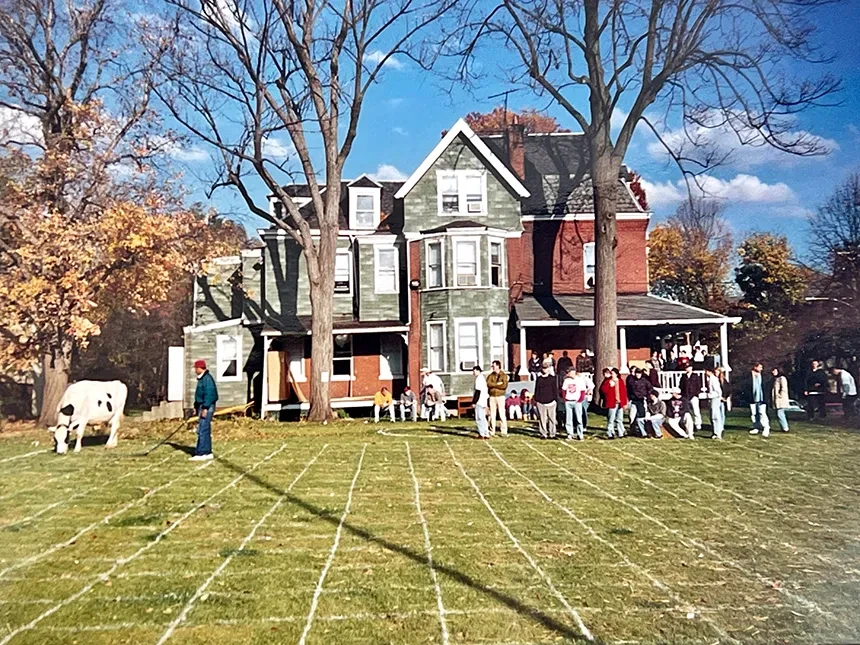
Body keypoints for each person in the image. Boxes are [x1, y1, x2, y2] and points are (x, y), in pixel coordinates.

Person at [192, 359, 218, 461]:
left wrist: (205, 408)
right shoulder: (202, 379)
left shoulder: (207, 379)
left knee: (202, 429)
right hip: (201, 406)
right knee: (204, 428)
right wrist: (196, 407)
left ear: (200, 368)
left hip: (206, 406)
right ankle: (207, 451)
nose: (195, 370)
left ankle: (202, 452)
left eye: (196, 368)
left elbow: (210, 394)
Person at [599, 367, 627, 439]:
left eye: (613, 374)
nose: (612, 375)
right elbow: (603, 390)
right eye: (611, 374)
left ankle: (621, 432)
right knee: (611, 419)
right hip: (612, 403)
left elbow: (623, 393)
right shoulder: (608, 381)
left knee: (619, 419)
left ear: (617, 374)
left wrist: (624, 403)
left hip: (619, 403)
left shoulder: (620, 381)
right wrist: (609, 385)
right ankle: (610, 433)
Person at [534, 360, 558, 439]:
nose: (545, 369)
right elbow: (536, 389)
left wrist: (555, 399)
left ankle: (552, 433)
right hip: (541, 402)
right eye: (543, 368)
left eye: (546, 368)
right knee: (542, 419)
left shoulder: (553, 378)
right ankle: (543, 433)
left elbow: (555, 390)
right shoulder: (539, 379)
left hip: (551, 402)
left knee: (552, 419)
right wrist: (536, 400)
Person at [561, 367, 587, 440]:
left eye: (569, 372)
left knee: (579, 418)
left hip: (576, 401)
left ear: (573, 372)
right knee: (568, 419)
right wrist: (565, 399)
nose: (568, 374)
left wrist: (579, 400)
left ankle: (580, 434)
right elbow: (563, 390)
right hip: (568, 401)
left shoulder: (579, 380)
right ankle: (570, 434)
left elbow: (583, 391)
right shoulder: (566, 380)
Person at [486, 360, 509, 436]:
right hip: (492, 396)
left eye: (494, 365)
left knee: (502, 413)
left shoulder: (503, 375)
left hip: (500, 396)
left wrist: (494, 385)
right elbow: (488, 384)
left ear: (498, 366)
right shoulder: (490, 375)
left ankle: (504, 430)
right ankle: (492, 430)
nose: (492, 367)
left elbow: (504, 385)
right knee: (492, 414)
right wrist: (497, 384)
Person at [679, 364, 703, 433]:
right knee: (686, 411)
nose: (687, 369)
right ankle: (685, 423)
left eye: (688, 367)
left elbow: (698, 386)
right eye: (686, 367)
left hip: (694, 396)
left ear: (691, 368)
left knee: (696, 411)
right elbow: (681, 386)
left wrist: (696, 393)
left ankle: (698, 424)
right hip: (686, 396)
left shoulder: (695, 376)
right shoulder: (683, 376)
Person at [749, 362, 770, 437]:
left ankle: (766, 427)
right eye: (760, 367)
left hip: (761, 398)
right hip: (753, 398)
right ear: (755, 367)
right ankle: (756, 427)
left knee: (762, 413)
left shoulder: (764, 376)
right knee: (754, 413)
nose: (761, 369)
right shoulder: (749, 375)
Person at [704, 366, 723, 439]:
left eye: (706, 371)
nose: (705, 373)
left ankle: (718, 433)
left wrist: (717, 396)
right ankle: (715, 432)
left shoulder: (713, 379)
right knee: (712, 415)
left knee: (715, 416)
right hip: (712, 398)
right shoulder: (710, 379)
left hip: (715, 398)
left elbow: (718, 390)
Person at [472, 365, 490, 440]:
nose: (473, 372)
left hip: (479, 401)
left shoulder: (479, 379)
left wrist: (474, 402)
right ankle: (486, 433)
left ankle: (481, 433)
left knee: (479, 418)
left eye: (474, 371)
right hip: (483, 400)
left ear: (478, 371)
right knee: (483, 418)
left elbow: (478, 391)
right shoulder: (482, 378)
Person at [771, 367, 791, 432]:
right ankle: (784, 427)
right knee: (779, 413)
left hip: (781, 399)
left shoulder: (782, 378)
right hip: (777, 399)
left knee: (780, 413)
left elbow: (783, 388)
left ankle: (785, 427)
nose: (773, 372)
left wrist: (779, 395)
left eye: (774, 371)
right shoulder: (776, 379)